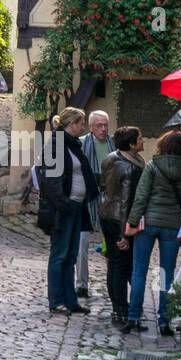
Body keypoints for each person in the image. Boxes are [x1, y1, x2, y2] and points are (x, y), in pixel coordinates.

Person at [124, 130, 181, 336]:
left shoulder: (153, 166)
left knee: (139, 271)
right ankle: (164, 321)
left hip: (148, 223)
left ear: (162, 146)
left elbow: (141, 197)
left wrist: (132, 221)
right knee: (166, 274)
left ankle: (134, 316)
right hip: (172, 224)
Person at [39, 106, 98, 316]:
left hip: (76, 207)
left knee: (71, 255)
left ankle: (70, 300)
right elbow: (51, 181)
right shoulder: (55, 146)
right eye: (81, 123)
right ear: (71, 124)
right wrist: (64, 204)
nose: (83, 127)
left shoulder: (73, 145)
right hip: (63, 209)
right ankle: (56, 300)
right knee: (59, 255)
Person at [100, 126, 145, 326]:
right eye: (140, 138)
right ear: (132, 144)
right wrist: (124, 235)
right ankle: (122, 310)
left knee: (113, 264)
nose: (143, 141)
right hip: (120, 220)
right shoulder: (131, 167)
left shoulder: (111, 157)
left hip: (106, 215)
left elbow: (104, 187)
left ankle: (117, 309)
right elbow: (126, 201)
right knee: (121, 266)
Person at [76, 110, 111, 298]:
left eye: (106, 125)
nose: (103, 129)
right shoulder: (82, 143)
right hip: (86, 198)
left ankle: (112, 280)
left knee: (111, 242)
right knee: (82, 242)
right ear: (91, 127)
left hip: (109, 198)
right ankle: (81, 283)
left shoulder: (114, 143)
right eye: (99, 125)